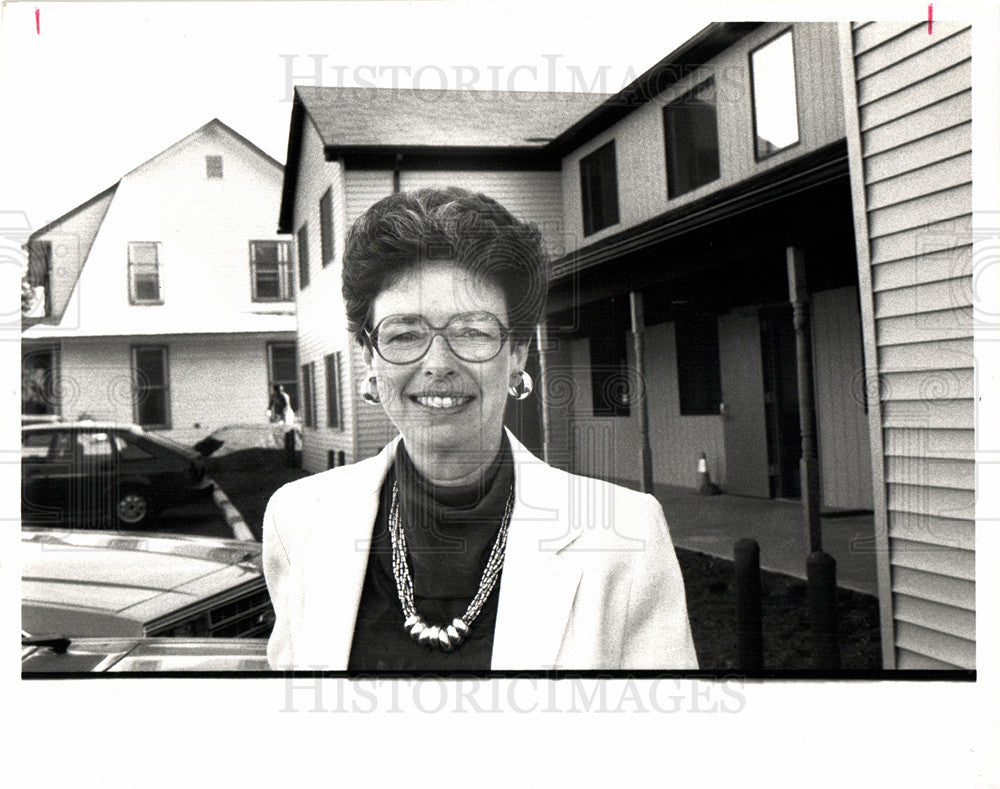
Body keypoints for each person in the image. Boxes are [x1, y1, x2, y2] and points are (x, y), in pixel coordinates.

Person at [263, 187, 697, 671]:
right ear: (369, 357)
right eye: (405, 334)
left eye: (472, 331)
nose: (438, 365)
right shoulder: (297, 521)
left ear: (517, 355)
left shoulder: (624, 535)